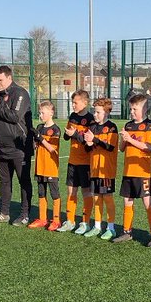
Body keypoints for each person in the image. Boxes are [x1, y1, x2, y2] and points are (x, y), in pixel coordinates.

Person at [0, 65, 33, 225]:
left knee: (23, 181)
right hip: (1, 147)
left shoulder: (20, 93)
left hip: (19, 147)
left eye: (0, 80)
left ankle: (24, 214)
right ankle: (4, 213)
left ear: (9, 78)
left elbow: (15, 117)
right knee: (4, 181)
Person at [113, 91, 151, 246]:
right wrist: (123, 138)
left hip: (142, 172)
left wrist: (130, 139)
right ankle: (127, 232)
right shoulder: (128, 125)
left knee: (148, 202)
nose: (132, 112)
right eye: (131, 109)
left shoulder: (149, 126)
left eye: (135, 109)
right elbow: (121, 149)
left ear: (145, 109)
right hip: (128, 171)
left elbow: (148, 147)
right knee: (127, 202)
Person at [57, 89, 95, 233]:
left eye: (75, 103)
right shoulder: (72, 116)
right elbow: (67, 137)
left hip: (85, 162)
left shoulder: (91, 120)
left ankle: (86, 222)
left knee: (86, 192)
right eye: (72, 103)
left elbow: (88, 143)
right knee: (71, 192)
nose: (73, 105)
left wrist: (76, 134)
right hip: (72, 161)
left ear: (85, 103)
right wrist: (68, 133)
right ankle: (70, 221)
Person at [82, 97, 119, 240]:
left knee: (107, 198)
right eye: (94, 112)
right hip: (94, 168)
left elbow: (110, 147)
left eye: (98, 112)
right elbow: (87, 148)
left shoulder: (111, 127)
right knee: (96, 197)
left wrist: (95, 140)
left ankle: (111, 228)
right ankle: (97, 226)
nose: (95, 115)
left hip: (106, 169)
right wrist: (88, 143)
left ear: (106, 112)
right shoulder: (92, 127)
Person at [28, 99, 61, 230]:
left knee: (54, 194)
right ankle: (42, 218)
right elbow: (36, 146)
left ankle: (57, 220)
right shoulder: (40, 128)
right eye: (40, 113)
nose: (40, 115)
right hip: (40, 166)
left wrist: (40, 138)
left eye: (43, 113)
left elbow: (52, 149)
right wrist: (33, 140)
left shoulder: (55, 129)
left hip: (51, 167)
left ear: (51, 113)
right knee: (41, 193)